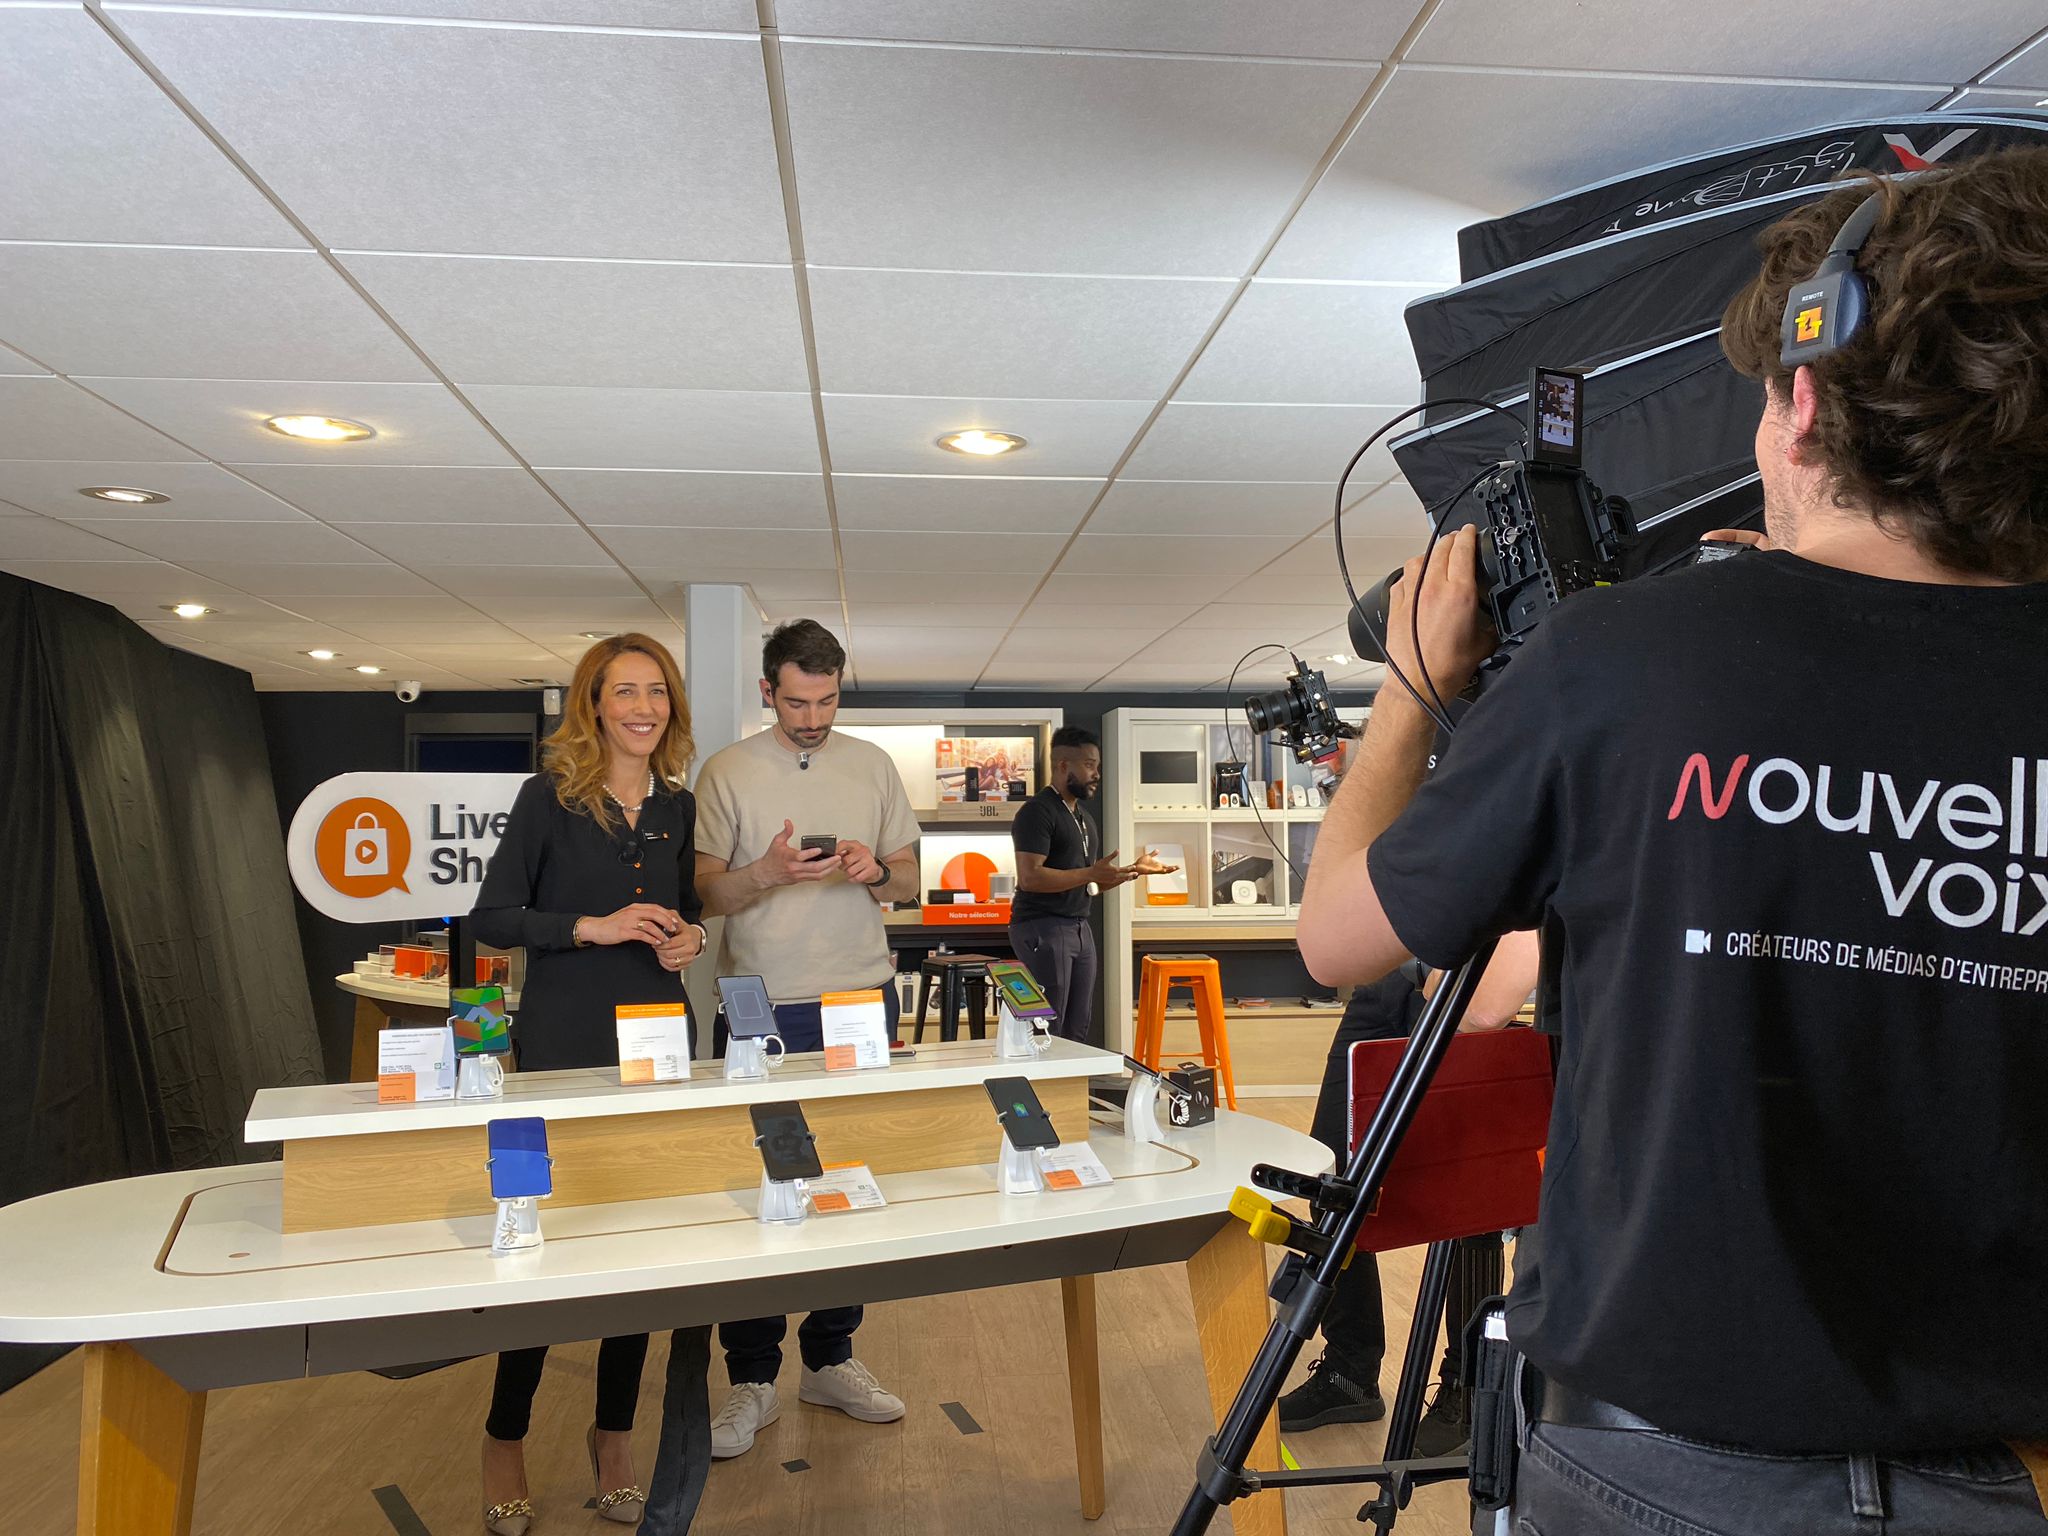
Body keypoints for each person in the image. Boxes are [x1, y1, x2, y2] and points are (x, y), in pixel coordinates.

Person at [1297, 148, 2048, 1534]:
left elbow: (1340, 937)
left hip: (1655, 1470)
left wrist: (1410, 688)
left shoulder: (1627, 659)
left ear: (1804, 397)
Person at [469, 633, 709, 1536]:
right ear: (595, 705)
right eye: (624, 693)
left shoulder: (677, 808)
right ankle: (505, 1436)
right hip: (563, 1044)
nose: (642, 707)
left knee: (636, 1254)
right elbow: (493, 920)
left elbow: (680, 920)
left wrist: (686, 942)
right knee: (544, 1251)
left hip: (656, 1043)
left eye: (656, 692)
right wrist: (592, 928)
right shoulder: (549, 799)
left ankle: (614, 1441)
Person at [692, 619, 919, 1459]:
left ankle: (831, 1356)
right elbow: (707, 893)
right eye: (797, 701)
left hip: (862, 996)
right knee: (764, 1188)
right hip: (760, 1004)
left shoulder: (872, 765)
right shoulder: (727, 770)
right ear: (767, 692)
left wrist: (874, 871)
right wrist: (768, 872)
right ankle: (751, 1377)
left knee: (848, 1182)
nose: (814, 716)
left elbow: (907, 878)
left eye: (826, 700)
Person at [1278, 932, 1540, 1454]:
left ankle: (1470, 1389)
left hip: (1470, 977)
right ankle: (1350, 1373)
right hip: (1389, 979)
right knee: (1334, 1177)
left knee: (1470, 1200)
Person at [1008, 726, 1175, 1043]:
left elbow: (1089, 884)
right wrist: (1089, 874)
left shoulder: (1083, 818)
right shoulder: (1037, 812)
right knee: (1047, 1027)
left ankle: (1070, 1092)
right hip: (1042, 926)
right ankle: (1044, 1090)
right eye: (1089, 765)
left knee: (1078, 1027)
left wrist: (1131, 871)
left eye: (1097, 766)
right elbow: (1030, 877)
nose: (1096, 774)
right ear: (1063, 766)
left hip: (1078, 927)